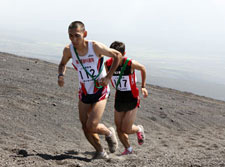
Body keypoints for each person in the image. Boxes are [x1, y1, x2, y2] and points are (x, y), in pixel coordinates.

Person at [58, 21, 121, 159]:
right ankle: (100, 152)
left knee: (91, 125)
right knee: (85, 126)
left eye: (77, 35)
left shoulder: (95, 47)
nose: (74, 39)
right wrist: (61, 75)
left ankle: (109, 133)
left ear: (84, 34)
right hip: (85, 92)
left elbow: (117, 56)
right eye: (70, 36)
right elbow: (62, 64)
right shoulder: (69, 50)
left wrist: (108, 77)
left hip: (100, 90)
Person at [105, 41, 148, 155]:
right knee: (119, 128)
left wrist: (143, 87)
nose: (115, 58)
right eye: (112, 54)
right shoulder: (108, 64)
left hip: (132, 98)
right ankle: (128, 149)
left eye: (117, 55)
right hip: (119, 97)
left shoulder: (130, 63)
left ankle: (138, 129)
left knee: (126, 129)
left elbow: (143, 68)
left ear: (124, 54)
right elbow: (107, 78)